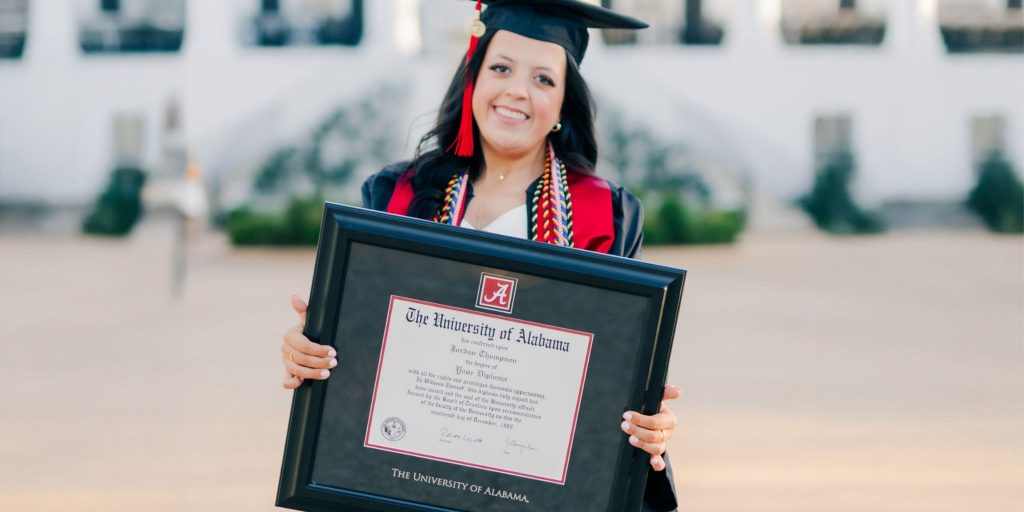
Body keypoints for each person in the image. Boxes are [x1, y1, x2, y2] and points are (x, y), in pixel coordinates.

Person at [280, 1, 681, 510]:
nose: (517, 90)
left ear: (563, 105)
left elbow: (617, 376)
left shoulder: (608, 215)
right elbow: (358, 346)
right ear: (473, 78)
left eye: (543, 79)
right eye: (501, 68)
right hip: (407, 478)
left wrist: (649, 425)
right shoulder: (395, 195)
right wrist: (311, 350)